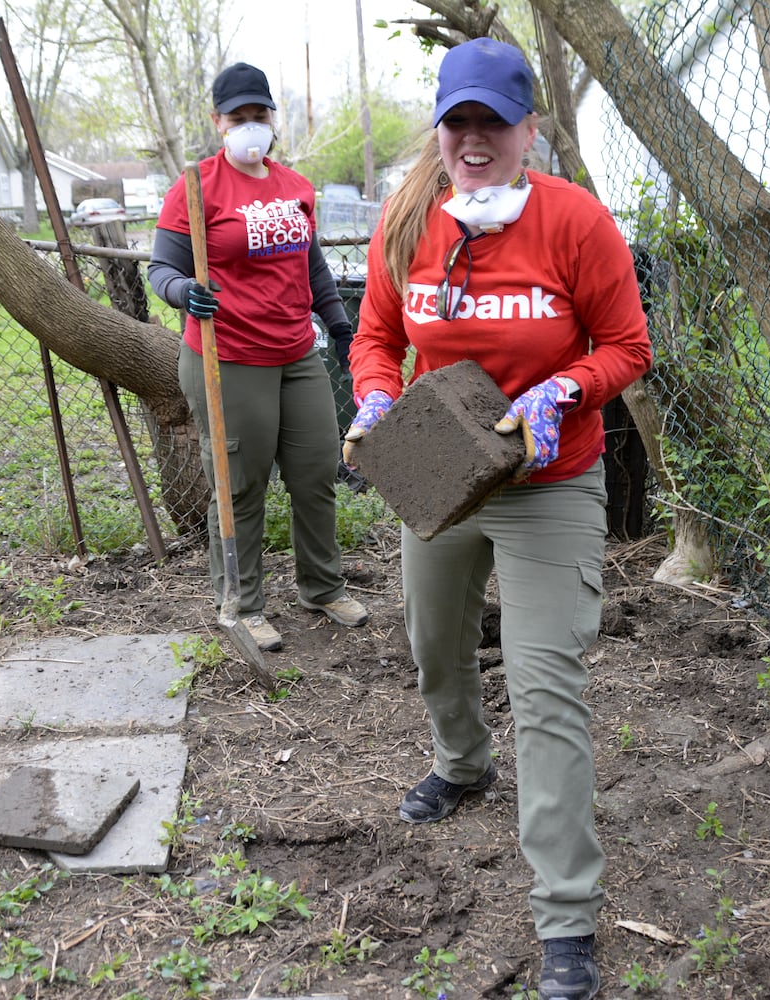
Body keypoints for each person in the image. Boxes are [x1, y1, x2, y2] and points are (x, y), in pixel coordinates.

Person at [342, 38, 652, 1000]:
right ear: (439, 130)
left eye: (493, 122)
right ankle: (461, 762)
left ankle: (566, 914)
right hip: (439, 463)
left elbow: (628, 345)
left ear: (528, 130)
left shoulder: (575, 222)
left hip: (549, 479)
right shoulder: (408, 220)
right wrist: (376, 398)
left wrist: (568, 386)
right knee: (434, 643)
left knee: (546, 681)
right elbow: (377, 336)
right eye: (458, 122)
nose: (473, 141)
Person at [148, 62, 368, 652]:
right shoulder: (196, 187)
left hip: (296, 353)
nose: (251, 126)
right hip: (227, 357)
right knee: (241, 483)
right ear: (218, 122)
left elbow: (312, 264)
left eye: (260, 115)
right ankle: (241, 603)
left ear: (273, 119)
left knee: (317, 471)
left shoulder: (293, 186)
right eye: (238, 117)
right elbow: (161, 268)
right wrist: (181, 293)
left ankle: (322, 586)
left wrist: (339, 323)